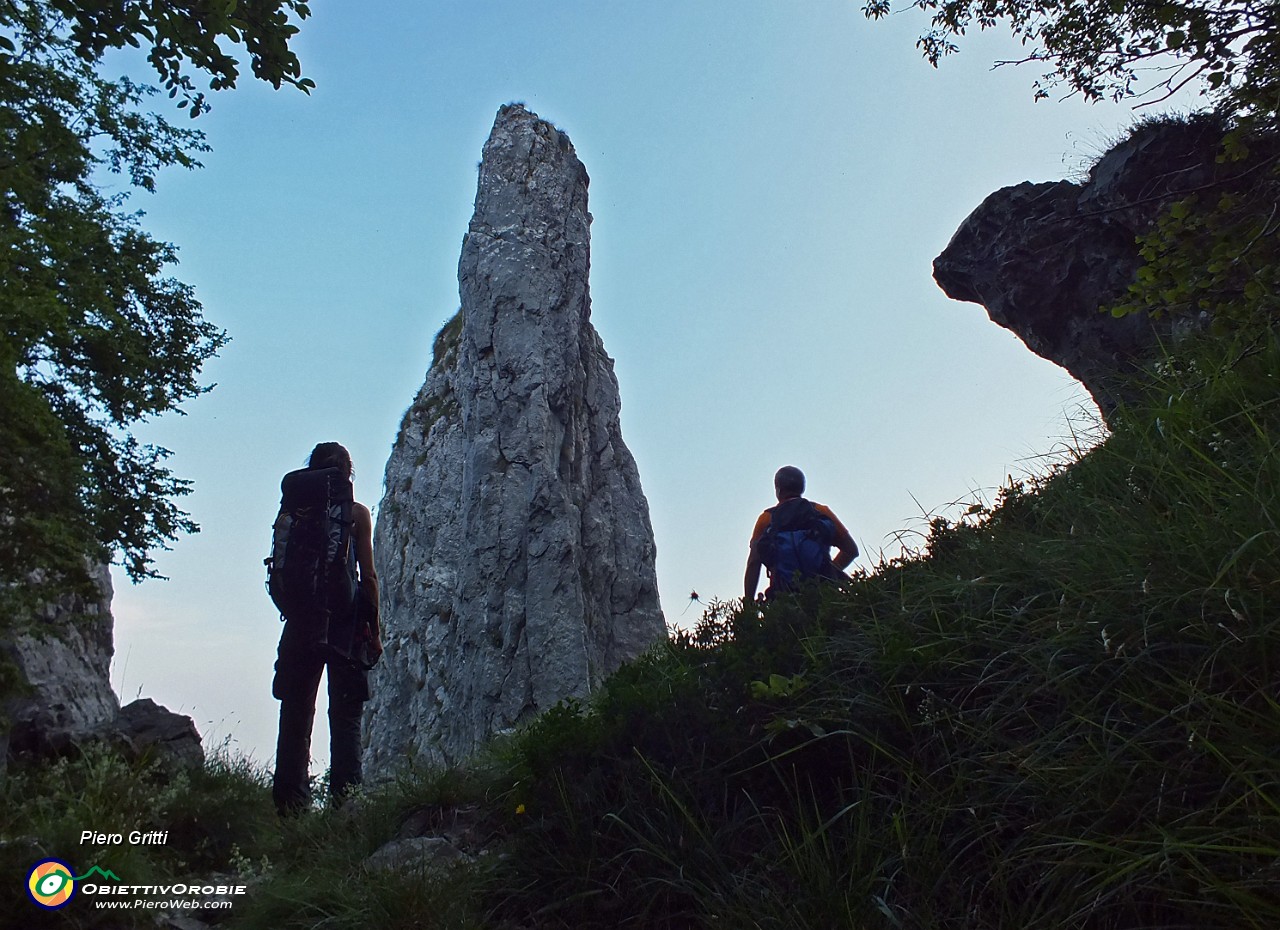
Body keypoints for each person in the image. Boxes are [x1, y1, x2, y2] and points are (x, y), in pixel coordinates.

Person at [271, 442, 382, 815]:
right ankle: (346, 808)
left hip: (301, 621)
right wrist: (375, 631)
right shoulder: (356, 515)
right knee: (346, 717)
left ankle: (289, 810)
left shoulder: (294, 512)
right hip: (345, 625)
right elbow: (368, 578)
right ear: (347, 474)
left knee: (296, 713)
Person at [744, 465, 858, 602]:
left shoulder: (766, 519)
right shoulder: (820, 511)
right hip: (824, 598)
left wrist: (748, 606)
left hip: (784, 599)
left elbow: (754, 564)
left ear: (778, 489)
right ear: (802, 488)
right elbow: (851, 550)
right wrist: (828, 574)